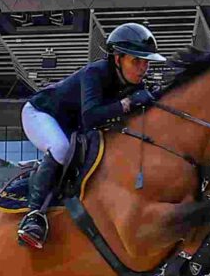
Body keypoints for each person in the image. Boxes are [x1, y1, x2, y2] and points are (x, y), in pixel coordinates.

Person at [15, 22, 171, 250]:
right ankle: (34, 216)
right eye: (136, 61)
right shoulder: (95, 73)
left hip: (73, 129)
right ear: (117, 59)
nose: (142, 68)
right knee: (61, 149)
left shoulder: (136, 85)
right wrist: (126, 104)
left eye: (146, 62)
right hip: (42, 114)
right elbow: (90, 117)